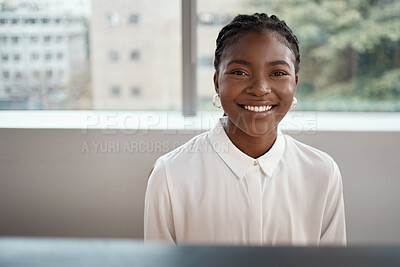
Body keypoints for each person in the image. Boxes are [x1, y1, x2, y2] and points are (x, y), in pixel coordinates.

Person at [144, 13, 346, 246]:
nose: (260, 89)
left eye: (278, 73)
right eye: (240, 72)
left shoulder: (323, 173)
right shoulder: (170, 175)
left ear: (295, 84)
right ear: (217, 82)